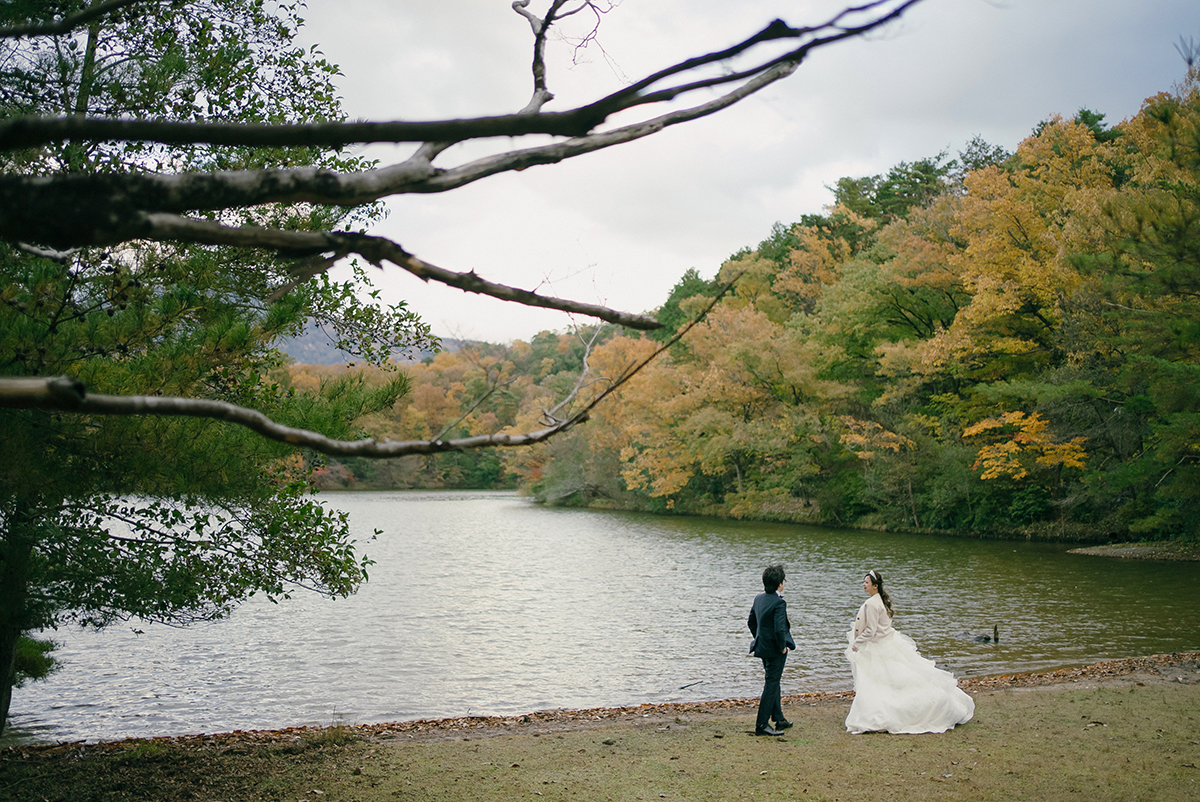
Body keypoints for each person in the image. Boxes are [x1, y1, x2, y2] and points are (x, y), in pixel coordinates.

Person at [844, 569, 974, 734]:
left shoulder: (871, 603)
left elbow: (871, 630)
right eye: (864, 582)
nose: (864, 585)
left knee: (877, 681)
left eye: (867, 583)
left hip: (877, 647)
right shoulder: (879, 601)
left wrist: (857, 643)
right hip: (887, 643)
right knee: (890, 679)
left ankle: (882, 712)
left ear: (875, 586)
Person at [747, 564, 797, 736]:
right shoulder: (779, 602)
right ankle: (761, 725)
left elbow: (751, 622)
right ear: (780, 584)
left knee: (773, 681)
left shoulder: (758, 599)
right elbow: (779, 629)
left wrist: (759, 638)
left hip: (762, 647)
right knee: (771, 683)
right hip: (775, 650)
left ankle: (779, 719)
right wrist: (782, 646)